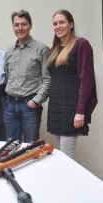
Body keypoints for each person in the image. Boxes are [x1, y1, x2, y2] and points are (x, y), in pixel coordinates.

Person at [47, 9, 97, 160]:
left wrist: (80, 111)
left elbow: (87, 80)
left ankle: (74, 184)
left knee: (67, 157)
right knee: (61, 155)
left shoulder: (82, 44)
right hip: (56, 106)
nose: (58, 26)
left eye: (62, 22)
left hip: (72, 107)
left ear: (71, 24)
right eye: (55, 23)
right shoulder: (55, 49)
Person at [4, 10, 51, 143]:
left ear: (30, 25)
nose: (20, 28)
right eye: (16, 25)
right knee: (10, 146)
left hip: (30, 105)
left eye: (23, 24)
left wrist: (36, 101)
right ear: (13, 27)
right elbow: (8, 78)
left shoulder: (42, 49)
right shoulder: (9, 52)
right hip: (10, 106)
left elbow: (47, 79)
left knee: (31, 146)